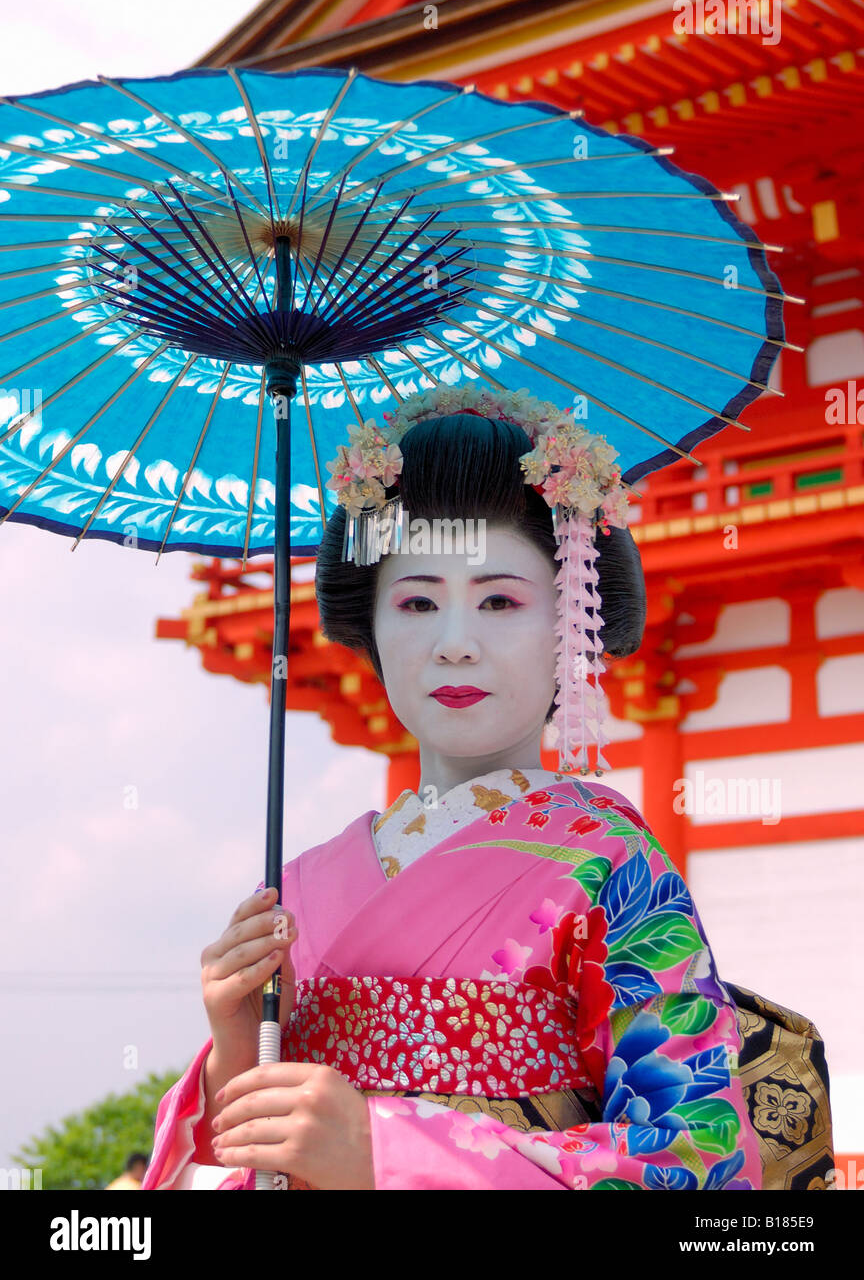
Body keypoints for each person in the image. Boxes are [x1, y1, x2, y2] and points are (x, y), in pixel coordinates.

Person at [141, 386, 763, 1190]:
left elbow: (697, 1158)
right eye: (418, 601)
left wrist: (388, 1153)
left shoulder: (611, 865)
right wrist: (238, 1048)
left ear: (573, 617)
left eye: (500, 600)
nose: (455, 643)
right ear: (371, 623)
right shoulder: (299, 884)